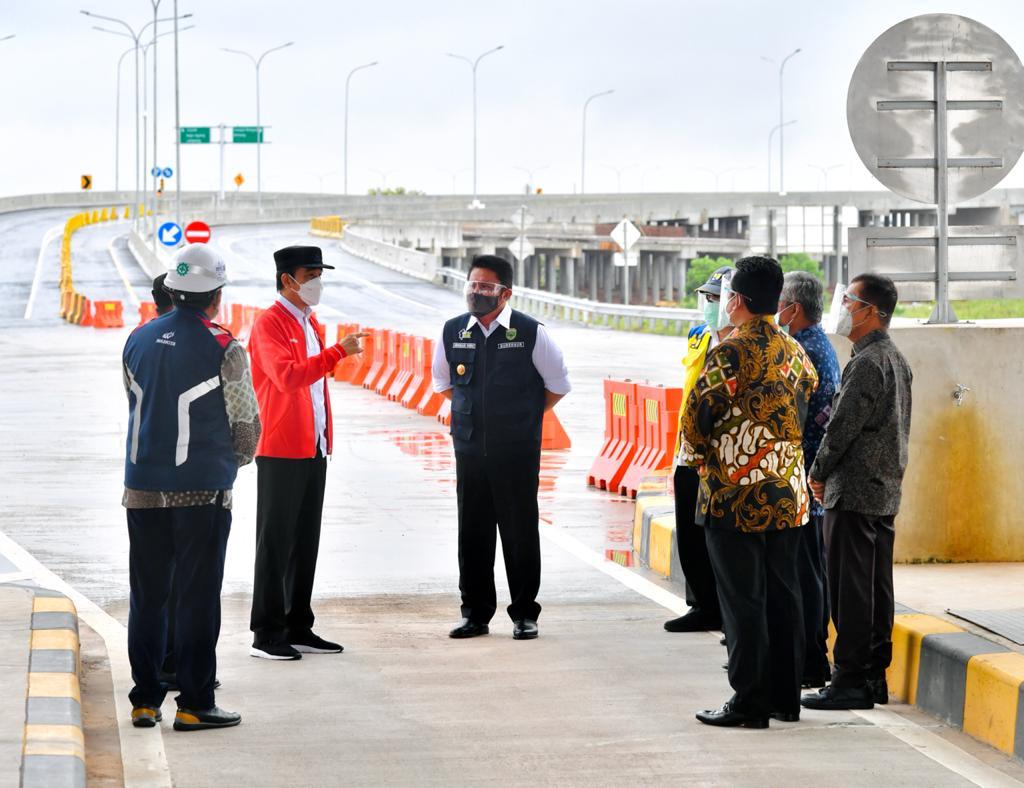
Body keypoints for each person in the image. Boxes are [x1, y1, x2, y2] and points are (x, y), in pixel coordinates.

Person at [122, 244, 260, 731]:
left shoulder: (137, 338)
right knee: (197, 598)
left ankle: (144, 699)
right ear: (216, 295)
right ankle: (196, 702)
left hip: (141, 487)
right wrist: (229, 466)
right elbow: (245, 425)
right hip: (200, 491)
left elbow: (135, 402)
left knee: (148, 596)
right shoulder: (225, 345)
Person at [680, 256, 818, 729]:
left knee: (743, 602)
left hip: (734, 495)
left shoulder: (731, 351)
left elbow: (697, 416)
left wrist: (705, 463)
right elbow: (810, 388)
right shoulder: (792, 348)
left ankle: (749, 701)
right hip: (788, 493)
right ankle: (784, 699)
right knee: (784, 596)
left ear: (736, 300)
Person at [431, 254, 571, 641]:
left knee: (519, 532)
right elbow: (443, 384)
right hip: (470, 452)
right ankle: (474, 613)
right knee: (472, 534)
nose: (476, 292)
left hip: (517, 453)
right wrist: (473, 416)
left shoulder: (529, 333)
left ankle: (525, 613)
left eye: (485, 287)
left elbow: (557, 384)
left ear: (505, 293)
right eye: (472, 285)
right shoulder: (452, 331)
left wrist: (522, 416)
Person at [247, 245, 367, 660]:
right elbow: (285, 377)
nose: (317, 282)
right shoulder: (270, 323)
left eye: (320, 274)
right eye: (310, 274)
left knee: (304, 541)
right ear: (288, 280)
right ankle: (266, 632)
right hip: (280, 447)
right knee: (275, 542)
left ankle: (298, 624)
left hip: (313, 444)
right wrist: (338, 352)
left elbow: (314, 384)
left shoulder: (309, 321)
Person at [803, 274, 912, 711]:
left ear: (870, 311)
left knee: (850, 590)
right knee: (875, 587)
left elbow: (841, 427)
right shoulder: (894, 359)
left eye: (848, 299)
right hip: (882, 489)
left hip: (853, 491)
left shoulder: (868, 363)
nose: (842, 306)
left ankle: (849, 679)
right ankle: (872, 678)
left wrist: (818, 470)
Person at [776, 271, 842, 688]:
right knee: (809, 574)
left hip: (804, 478)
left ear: (793, 308)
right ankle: (808, 658)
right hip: (810, 479)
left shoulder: (802, 350)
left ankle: (810, 660)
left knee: (805, 575)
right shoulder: (820, 345)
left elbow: (794, 419)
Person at [664, 266, 733, 634]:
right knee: (689, 532)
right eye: (705, 297)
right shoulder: (698, 336)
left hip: (722, 459)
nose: (708, 304)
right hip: (689, 449)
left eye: (715, 298)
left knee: (720, 539)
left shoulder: (742, 344)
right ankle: (701, 604)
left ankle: (725, 609)